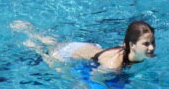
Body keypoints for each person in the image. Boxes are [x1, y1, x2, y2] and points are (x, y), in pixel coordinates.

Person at [13, 18, 156, 75]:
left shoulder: (129, 49)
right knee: (57, 66)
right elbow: (94, 78)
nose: (151, 48)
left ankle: (30, 30)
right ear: (132, 45)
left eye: (152, 42)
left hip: (88, 48)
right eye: (146, 44)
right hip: (69, 53)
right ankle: (33, 46)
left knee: (53, 42)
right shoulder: (113, 65)